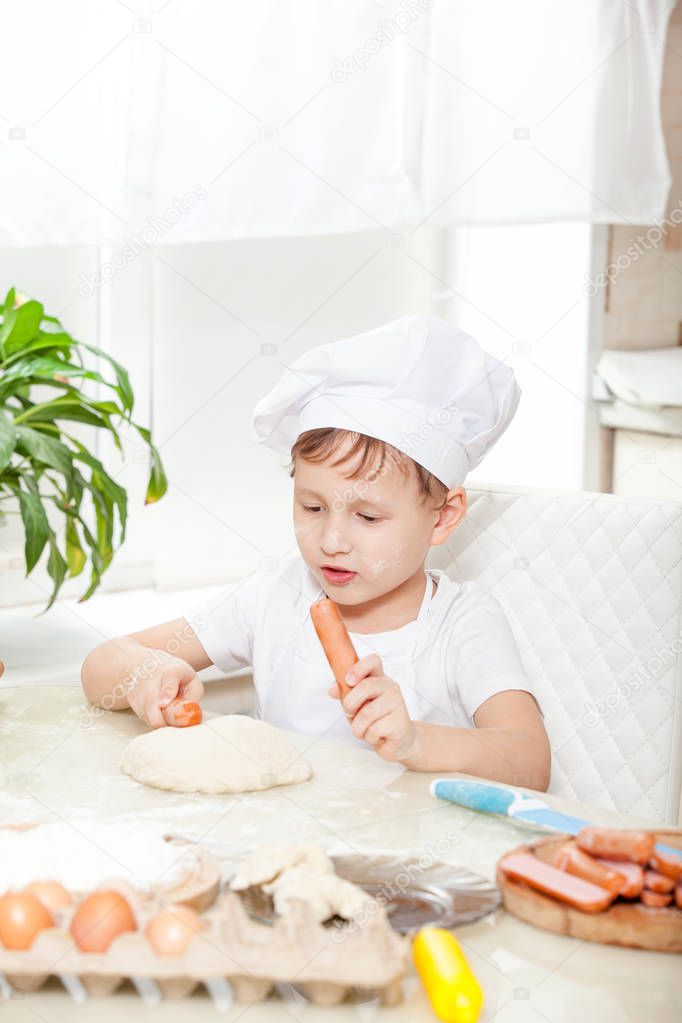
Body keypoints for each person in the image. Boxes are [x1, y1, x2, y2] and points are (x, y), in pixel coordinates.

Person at [81, 315, 550, 789]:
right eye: (312, 506)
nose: (331, 541)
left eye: (368, 518)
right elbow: (100, 663)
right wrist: (143, 674)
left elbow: (530, 760)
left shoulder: (461, 624)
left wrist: (416, 742)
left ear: (443, 517)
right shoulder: (274, 598)